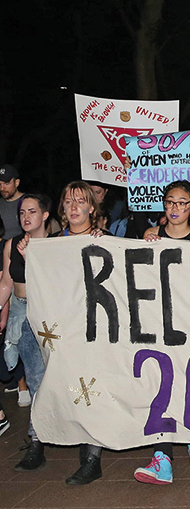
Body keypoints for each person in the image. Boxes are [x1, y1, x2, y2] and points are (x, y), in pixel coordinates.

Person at [134, 181, 190, 485]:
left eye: (183, 203)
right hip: (161, 322)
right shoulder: (151, 237)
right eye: (171, 202)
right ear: (164, 206)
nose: (176, 209)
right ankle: (163, 457)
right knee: (163, 384)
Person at [50, 182, 107, 484]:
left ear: (91, 208)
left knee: (94, 390)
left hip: (96, 329)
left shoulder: (106, 240)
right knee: (76, 391)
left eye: (80, 201)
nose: (74, 207)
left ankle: (92, 458)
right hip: (66, 330)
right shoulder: (52, 243)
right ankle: (85, 452)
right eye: (68, 201)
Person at [0, 195, 51, 472]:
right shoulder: (11, 244)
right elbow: (7, 282)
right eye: (22, 212)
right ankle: (37, 439)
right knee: (33, 376)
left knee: (57, 374)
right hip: (23, 312)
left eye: (32, 211)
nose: (26, 217)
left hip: (50, 316)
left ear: (45, 215)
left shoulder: (56, 244)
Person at [0, 164, 23, 241]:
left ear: (17, 183)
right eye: (0, 184)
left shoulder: (29, 202)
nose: (2, 188)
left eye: (6, 184)